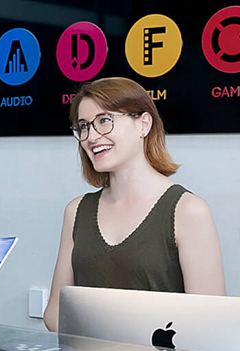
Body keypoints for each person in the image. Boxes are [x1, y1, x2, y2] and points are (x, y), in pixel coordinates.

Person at [44, 77, 226, 331]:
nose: (91, 136)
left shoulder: (188, 211)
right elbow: (54, 312)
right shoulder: (76, 211)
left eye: (104, 121)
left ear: (143, 123)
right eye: (83, 126)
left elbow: (211, 324)